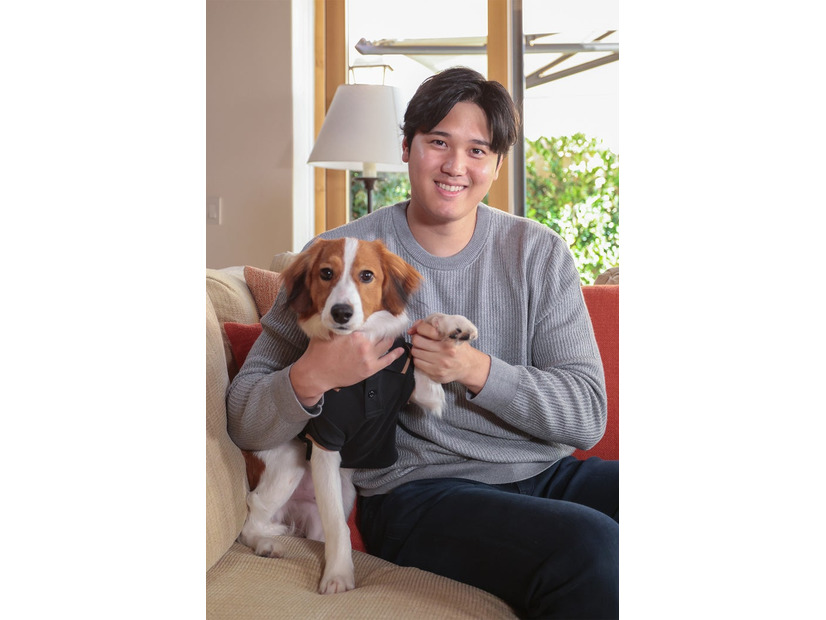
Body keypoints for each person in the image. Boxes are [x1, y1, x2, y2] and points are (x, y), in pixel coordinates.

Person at [227, 66, 618, 619]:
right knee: (591, 546)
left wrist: (477, 370)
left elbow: (586, 416)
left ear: (498, 164)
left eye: (478, 150)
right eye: (439, 142)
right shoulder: (334, 260)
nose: (456, 166)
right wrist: (314, 373)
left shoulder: (539, 253)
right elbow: (243, 416)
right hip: (419, 493)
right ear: (407, 148)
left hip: (544, 471)